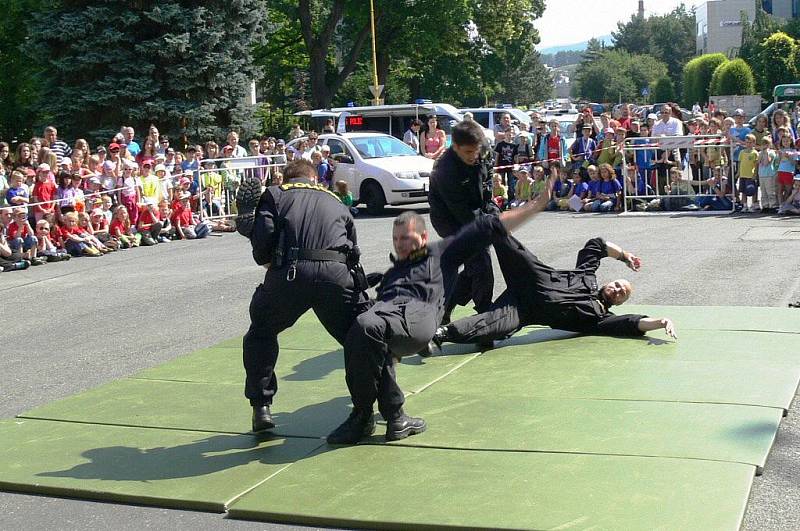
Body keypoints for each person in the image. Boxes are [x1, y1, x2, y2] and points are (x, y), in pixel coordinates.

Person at [326, 183, 555, 445]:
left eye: (407, 237)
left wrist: (534, 206)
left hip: (417, 315)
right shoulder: (392, 274)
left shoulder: (440, 252)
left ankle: (362, 416)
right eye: (396, 239)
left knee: (368, 326)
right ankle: (395, 418)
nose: (400, 244)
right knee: (366, 335)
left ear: (423, 238)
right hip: (389, 318)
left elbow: (487, 228)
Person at [234, 159, 371, 432]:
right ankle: (368, 408)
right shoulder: (336, 200)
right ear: (314, 179)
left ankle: (261, 407)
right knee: (360, 338)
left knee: (261, 332)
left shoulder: (275, 194)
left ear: (286, 179)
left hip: (291, 274)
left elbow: (264, 245)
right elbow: (353, 249)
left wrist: (252, 233)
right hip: (335, 273)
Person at [429, 229, 677, 352]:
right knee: (504, 238)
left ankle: (438, 333)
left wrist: (661, 321)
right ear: (609, 282)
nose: (617, 290)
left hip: (523, 309)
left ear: (619, 302)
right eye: (617, 284)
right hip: (532, 276)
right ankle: (481, 210)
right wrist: (625, 256)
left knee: (487, 328)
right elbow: (596, 246)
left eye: (622, 293)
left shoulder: (600, 319)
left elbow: (633, 323)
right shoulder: (587, 275)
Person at [428, 119, 498, 324]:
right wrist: (491, 228)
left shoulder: (480, 150)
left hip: (476, 209)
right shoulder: (445, 170)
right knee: (480, 259)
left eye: (476, 151)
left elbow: (487, 187)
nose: (473, 156)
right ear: (455, 146)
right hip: (450, 220)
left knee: (473, 268)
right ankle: (485, 315)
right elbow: (462, 213)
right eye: (468, 152)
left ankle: (443, 309)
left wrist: (495, 214)